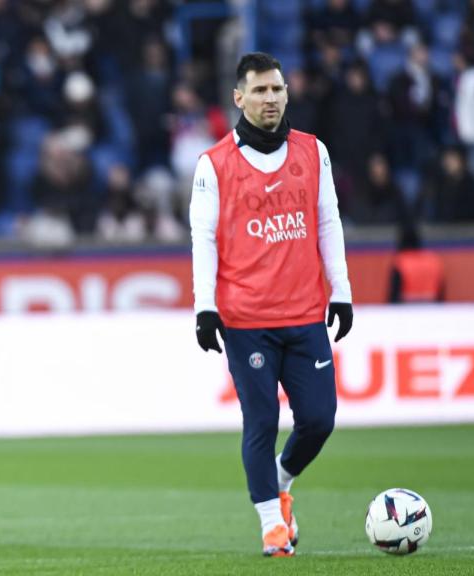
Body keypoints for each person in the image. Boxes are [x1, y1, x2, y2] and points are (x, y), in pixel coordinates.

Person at [189, 52, 353, 557]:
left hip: (305, 314)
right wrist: (205, 306)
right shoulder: (214, 164)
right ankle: (271, 527)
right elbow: (203, 238)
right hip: (246, 320)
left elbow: (328, 222)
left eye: (277, 90)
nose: (270, 99)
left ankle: (282, 481)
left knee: (319, 420)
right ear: (238, 98)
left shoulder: (313, 152)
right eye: (259, 91)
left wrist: (341, 291)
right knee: (260, 422)